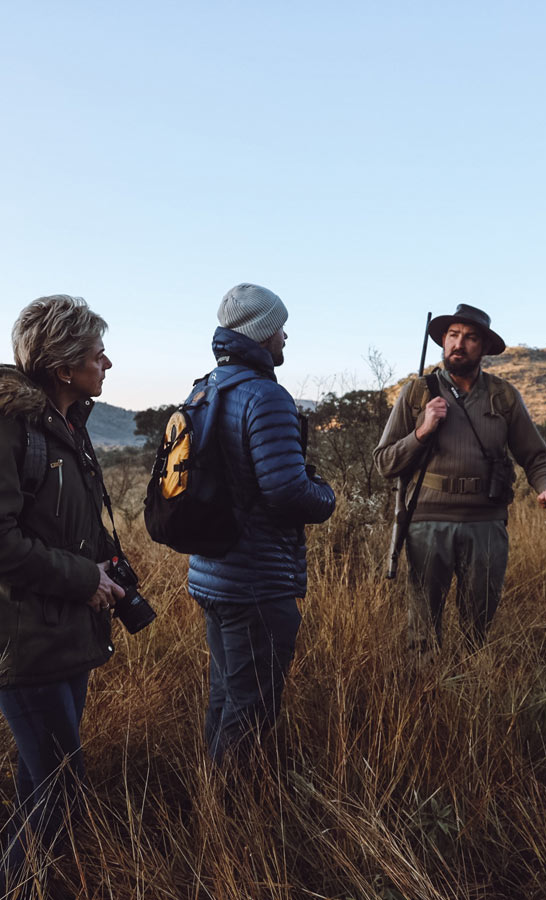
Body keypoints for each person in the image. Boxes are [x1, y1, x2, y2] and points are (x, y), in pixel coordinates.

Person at [0, 294, 125, 893]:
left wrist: (103, 566)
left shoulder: (65, 426)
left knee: (42, 785)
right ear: (65, 366)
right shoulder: (5, 424)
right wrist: (83, 578)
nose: (108, 364)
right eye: (97, 354)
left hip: (66, 637)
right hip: (27, 643)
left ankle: (22, 885)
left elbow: (56, 527)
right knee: (62, 788)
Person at [187, 283, 336, 764]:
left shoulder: (204, 389)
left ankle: (211, 804)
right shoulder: (266, 396)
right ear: (262, 332)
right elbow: (286, 491)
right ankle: (229, 818)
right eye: (279, 327)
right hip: (255, 582)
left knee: (224, 696)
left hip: (213, 573)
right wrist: (326, 497)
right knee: (251, 710)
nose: (286, 336)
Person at [373, 304, 546, 650]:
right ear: (443, 341)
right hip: (428, 524)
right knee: (422, 634)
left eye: (470, 338)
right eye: (453, 335)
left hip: (486, 524)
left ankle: (471, 692)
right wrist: (422, 431)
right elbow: (385, 462)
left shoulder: (504, 396)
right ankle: (426, 696)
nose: (459, 344)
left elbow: (536, 456)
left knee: (476, 629)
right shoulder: (417, 393)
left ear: (484, 348)